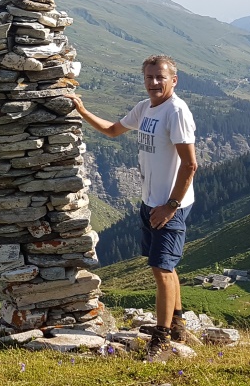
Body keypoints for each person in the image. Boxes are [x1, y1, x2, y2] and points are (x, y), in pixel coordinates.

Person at [70, 55, 199, 357]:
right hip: (151, 201)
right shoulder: (145, 108)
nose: (154, 82)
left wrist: (171, 206)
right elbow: (113, 130)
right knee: (164, 266)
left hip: (169, 204)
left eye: (160, 77)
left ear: (173, 80)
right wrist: (82, 111)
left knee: (161, 269)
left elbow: (190, 165)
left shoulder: (176, 111)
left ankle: (162, 338)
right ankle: (177, 324)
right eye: (149, 77)